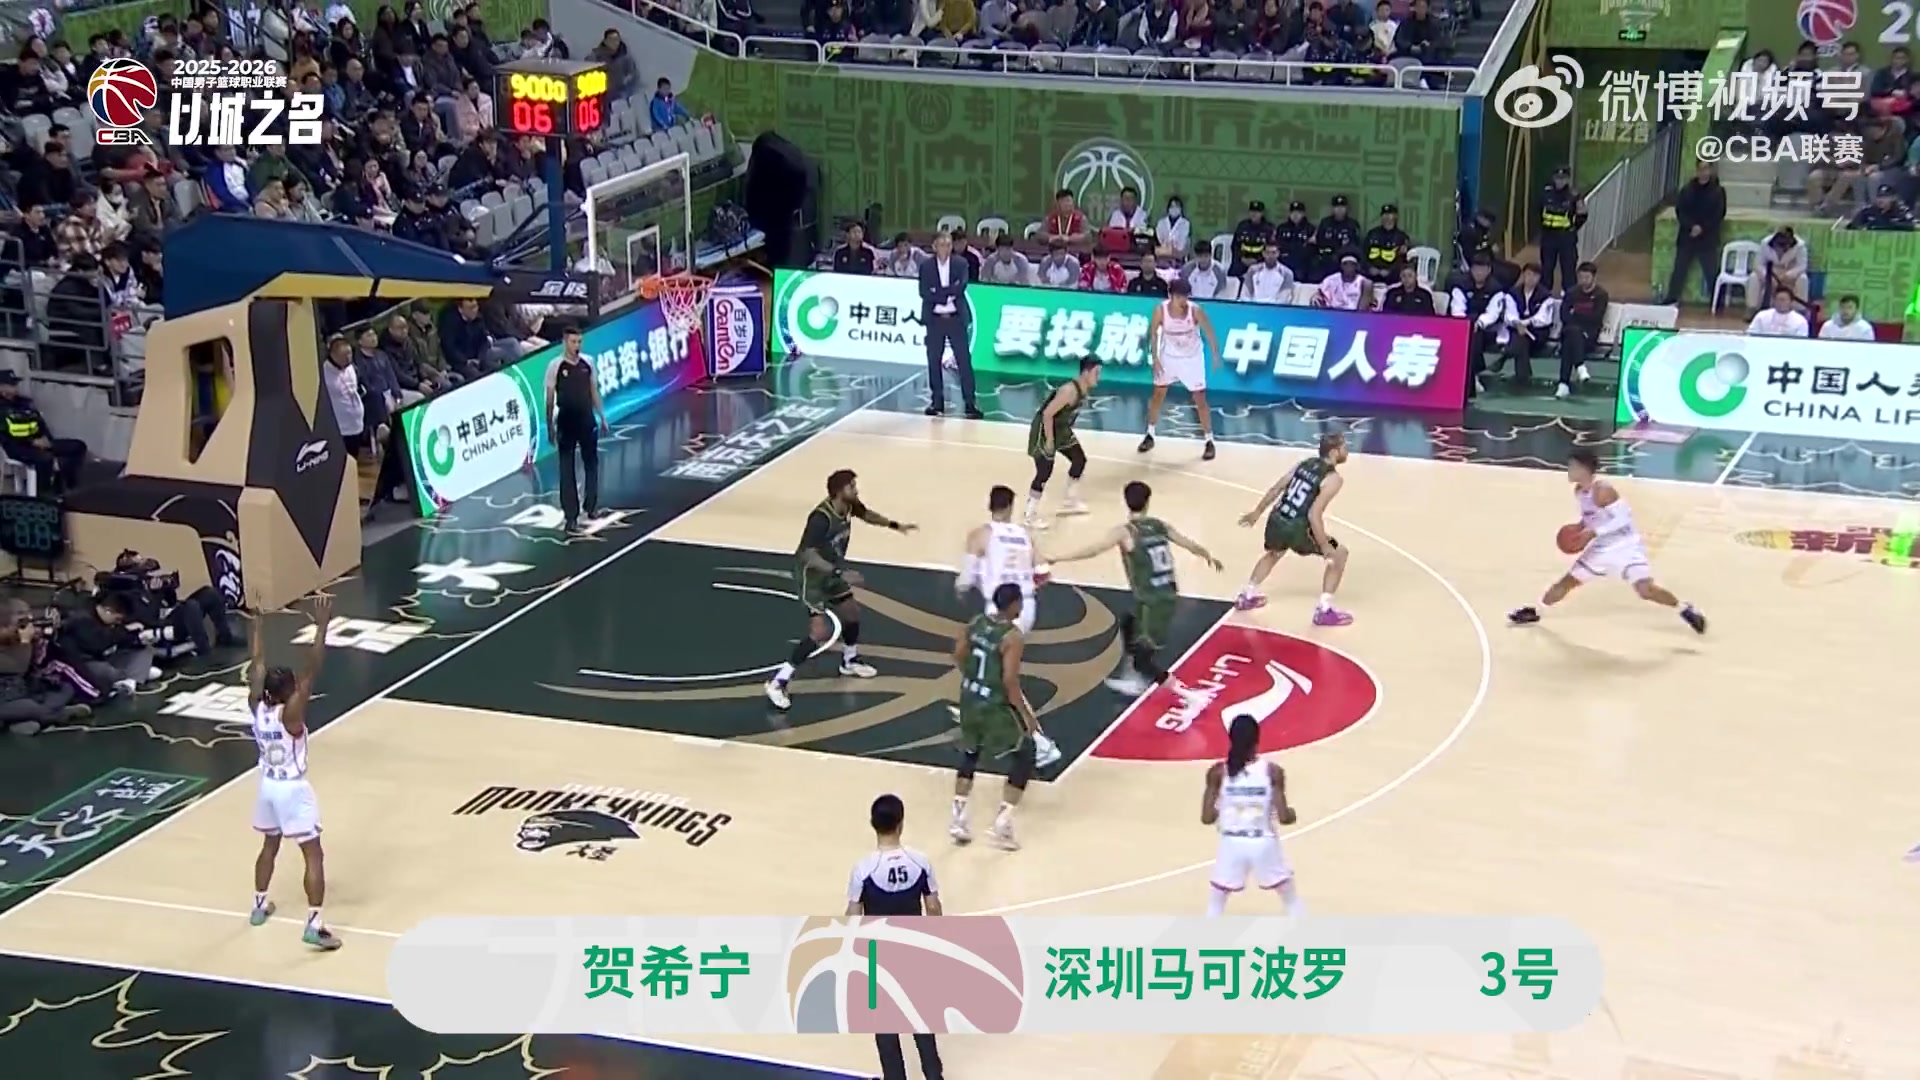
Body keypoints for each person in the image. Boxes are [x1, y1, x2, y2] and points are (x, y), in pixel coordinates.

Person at [1049, 481, 1222, 697]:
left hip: (1153, 600)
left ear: (1125, 501)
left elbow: (1093, 550)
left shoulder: (1125, 532)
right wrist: (1207, 554)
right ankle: (1133, 675)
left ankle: (1187, 695)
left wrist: (1058, 557)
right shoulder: (1160, 525)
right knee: (1129, 622)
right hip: (1164, 593)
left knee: (1143, 660)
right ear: (1148, 502)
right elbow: (1189, 544)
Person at [765, 470, 917, 711]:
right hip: (812, 578)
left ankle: (849, 661)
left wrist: (894, 525)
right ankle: (778, 682)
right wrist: (837, 572)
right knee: (819, 632)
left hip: (832, 573)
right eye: (851, 486)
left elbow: (867, 514)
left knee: (852, 613)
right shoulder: (820, 518)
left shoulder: (849, 506)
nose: (855, 490)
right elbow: (807, 554)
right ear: (838, 491)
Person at [1509, 449, 1707, 634]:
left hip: (1626, 545)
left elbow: (1623, 519)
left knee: (1646, 590)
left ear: (1583, 469)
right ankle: (1536, 611)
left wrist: (1593, 532)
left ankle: (1684, 609)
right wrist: (1580, 527)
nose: (1568, 470)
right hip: (1602, 547)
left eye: (1572, 466)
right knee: (1567, 582)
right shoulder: (1580, 491)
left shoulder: (1603, 490)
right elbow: (1591, 517)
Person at [247, 592, 343, 951]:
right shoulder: (291, 714)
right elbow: (312, 670)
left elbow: (257, 664)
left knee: (269, 845)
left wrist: (258, 627)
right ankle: (314, 924)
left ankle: (259, 906)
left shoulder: (257, 706)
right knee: (313, 854)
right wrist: (322, 627)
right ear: (287, 690)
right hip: (292, 789)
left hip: (267, 787)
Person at [846, 794, 944, 1080]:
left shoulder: (863, 869)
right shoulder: (920, 862)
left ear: (872, 824)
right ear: (901, 824)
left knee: (885, 1027)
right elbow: (933, 907)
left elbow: (853, 916)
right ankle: (933, 1076)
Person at [950, 582, 1045, 850]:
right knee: (1025, 752)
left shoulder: (975, 623)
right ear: (1013, 604)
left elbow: (958, 655)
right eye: (1020, 601)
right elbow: (1009, 680)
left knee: (971, 752)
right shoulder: (1012, 637)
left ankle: (958, 818)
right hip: (992, 704)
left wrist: (973, 679)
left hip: (969, 697)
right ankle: (1003, 823)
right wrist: (1026, 715)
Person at [1234, 431, 1353, 625]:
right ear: (1333, 452)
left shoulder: (1304, 464)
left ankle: (1247, 595)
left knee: (1274, 553)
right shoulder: (1333, 479)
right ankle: (1325, 609)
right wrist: (1325, 545)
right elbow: (1313, 515)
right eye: (1344, 447)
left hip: (1277, 518)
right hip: (1299, 527)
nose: (1347, 451)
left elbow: (1277, 488)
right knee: (1340, 553)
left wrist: (1257, 512)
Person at [1201, 714, 1302, 916]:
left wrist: (1229, 807)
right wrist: (1292, 814)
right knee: (1290, 898)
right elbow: (1284, 817)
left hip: (1231, 843)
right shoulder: (1272, 771)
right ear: (1257, 738)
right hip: (1262, 842)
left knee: (1216, 902)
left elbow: (1207, 818)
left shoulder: (1218, 772)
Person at [1139, 278, 1219, 459]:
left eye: (1186, 296)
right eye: (1179, 296)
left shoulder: (1195, 310)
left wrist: (1215, 354)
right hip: (1169, 357)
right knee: (1158, 394)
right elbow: (1153, 334)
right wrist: (1155, 358)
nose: (1183, 300)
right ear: (1171, 296)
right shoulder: (1160, 310)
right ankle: (1150, 434)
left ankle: (1209, 440)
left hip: (1192, 359)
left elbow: (1209, 331)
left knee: (1200, 399)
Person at [547, 326, 610, 534]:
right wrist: (550, 426)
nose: (577, 346)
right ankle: (571, 516)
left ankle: (591, 506)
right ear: (565, 342)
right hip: (566, 421)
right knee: (567, 469)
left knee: (591, 463)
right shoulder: (555, 366)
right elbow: (549, 399)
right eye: (573, 342)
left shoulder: (588, 362)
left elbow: (593, 390)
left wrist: (602, 416)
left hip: (586, 420)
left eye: (579, 342)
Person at [1025, 357, 1099, 527]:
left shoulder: (1084, 390)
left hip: (1061, 429)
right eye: (1096, 373)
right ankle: (1030, 515)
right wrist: (1050, 441)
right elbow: (1047, 414)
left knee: (1079, 459)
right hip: (1045, 430)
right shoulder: (1069, 391)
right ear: (1086, 372)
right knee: (1044, 471)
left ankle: (1069, 501)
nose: (1098, 377)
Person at [918, 231, 980, 419]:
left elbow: (960, 288)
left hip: (956, 319)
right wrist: (946, 295)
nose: (945, 248)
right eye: (941, 244)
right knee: (934, 361)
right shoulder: (926, 266)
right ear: (934, 247)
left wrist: (938, 293)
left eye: (948, 244)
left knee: (963, 361)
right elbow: (924, 292)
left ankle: (970, 403)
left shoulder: (961, 264)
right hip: (935, 319)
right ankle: (937, 402)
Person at [0, 371, 86, 493]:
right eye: (11, 385)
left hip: (39, 441)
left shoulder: (25, 403)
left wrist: (47, 440)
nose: (15, 388)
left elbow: (40, 424)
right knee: (45, 458)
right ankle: (43, 493)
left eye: (15, 384)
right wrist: (31, 442)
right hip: (17, 447)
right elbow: (5, 437)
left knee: (77, 446)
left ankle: (65, 483)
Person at [1537, 165, 1586, 293]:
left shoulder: (1574, 195)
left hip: (1566, 237)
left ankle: (1569, 295)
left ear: (1568, 179)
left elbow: (1582, 214)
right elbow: (1538, 211)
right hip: (1548, 236)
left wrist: (1573, 228)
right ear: (1553, 178)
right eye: (1558, 178)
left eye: (1563, 178)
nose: (1560, 181)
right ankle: (1544, 294)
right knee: (1546, 268)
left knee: (1568, 268)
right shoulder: (1546, 193)